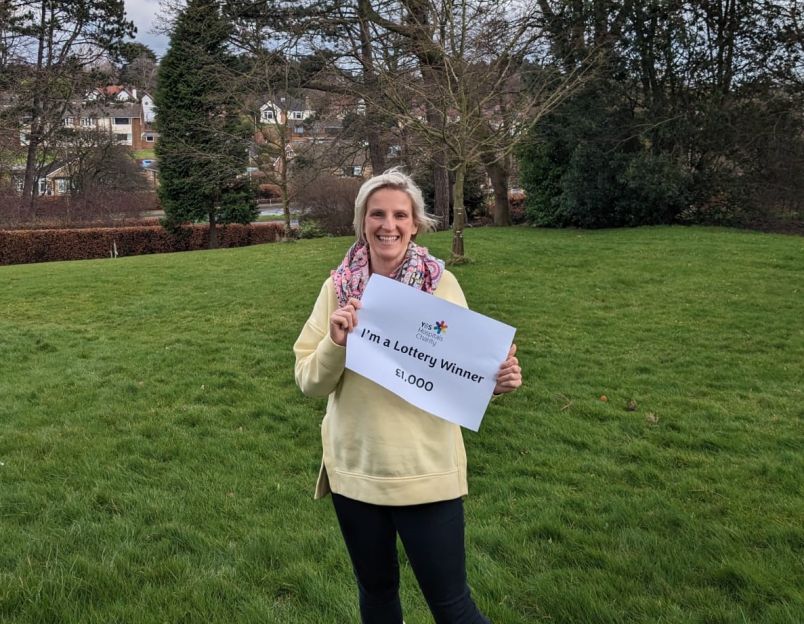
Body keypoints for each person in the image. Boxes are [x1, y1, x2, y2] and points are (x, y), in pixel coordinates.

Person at [293, 168, 522, 624]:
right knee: (377, 599)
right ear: (362, 223)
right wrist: (336, 343)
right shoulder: (337, 289)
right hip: (355, 471)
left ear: (415, 224)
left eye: (400, 215)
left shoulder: (440, 286)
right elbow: (309, 381)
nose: (388, 225)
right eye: (377, 214)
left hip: (426, 473)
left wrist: (494, 383)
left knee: (452, 607)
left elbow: (463, 372)